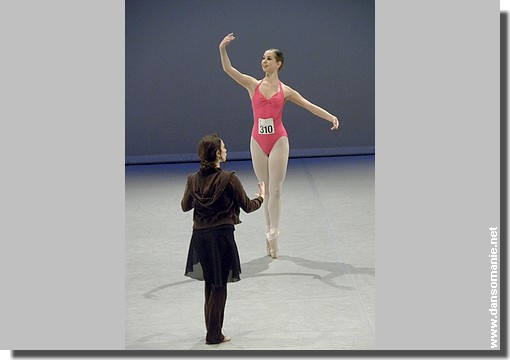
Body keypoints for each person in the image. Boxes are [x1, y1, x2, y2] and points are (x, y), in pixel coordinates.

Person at [219, 33, 339, 259]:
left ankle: (275, 231)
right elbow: (229, 70)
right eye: (262, 58)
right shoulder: (252, 85)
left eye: (268, 58)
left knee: (276, 189)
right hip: (257, 140)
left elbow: (309, 106)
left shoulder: (286, 91)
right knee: (265, 189)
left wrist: (330, 117)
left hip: (278, 141)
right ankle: (268, 233)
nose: (264, 61)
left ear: (278, 64)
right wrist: (222, 49)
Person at [181, 133, 265, 345]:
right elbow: (247, 206)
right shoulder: (229, 179)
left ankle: (212, 331)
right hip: (221, 237)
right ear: (217, 154)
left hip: (199, 237)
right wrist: (261, 197)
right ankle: (214, 335)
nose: (226, 151)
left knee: (210, 284)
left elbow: (185, 206)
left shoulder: (192, 180)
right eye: (224, 148)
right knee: (220, 286)